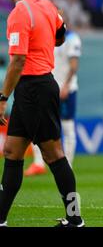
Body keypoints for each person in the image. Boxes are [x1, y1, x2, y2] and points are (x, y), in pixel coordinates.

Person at [0, 0, 84, 227]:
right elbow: (62, 34)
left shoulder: (18, 14)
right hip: (38, 86)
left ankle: (75, 219)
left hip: (34, 87)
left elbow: (18, 61)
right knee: (12, 152)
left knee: (54, 155)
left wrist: (2, 97)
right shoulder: (47, 6)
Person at [25, 17, 82, 176]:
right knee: (36, 124)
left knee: (67, 127)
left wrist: (66, 86)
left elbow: (74, 65)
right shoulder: (47, 37)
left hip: (66, 90)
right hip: (48, 88)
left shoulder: (71, 38)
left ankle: (68, 165)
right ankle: (38, 164)